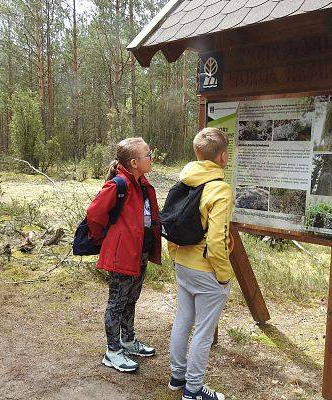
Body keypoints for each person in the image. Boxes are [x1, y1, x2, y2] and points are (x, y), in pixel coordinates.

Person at [167, 128, 234, 400]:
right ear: (223, 157)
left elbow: (170, 220)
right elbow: (217, 241)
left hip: (183, 262)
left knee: (183, 319)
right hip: (206, 270)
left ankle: (177, 377)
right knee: (204, 332)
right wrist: (224, 275)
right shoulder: (220, 189)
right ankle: (192, 391)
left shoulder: (184, 181)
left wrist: (175, 256)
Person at [86, 137, 161, 373]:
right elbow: (94, 214)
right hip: (122, 255)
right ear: (134, 162)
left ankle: (128, 341)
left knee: (132, 298)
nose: (151, 157)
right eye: (147, 154)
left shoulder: (141, 183)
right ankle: (113, 351)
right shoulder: (118, 185)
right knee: (117, 303)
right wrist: (105, 240)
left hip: (139, 253)